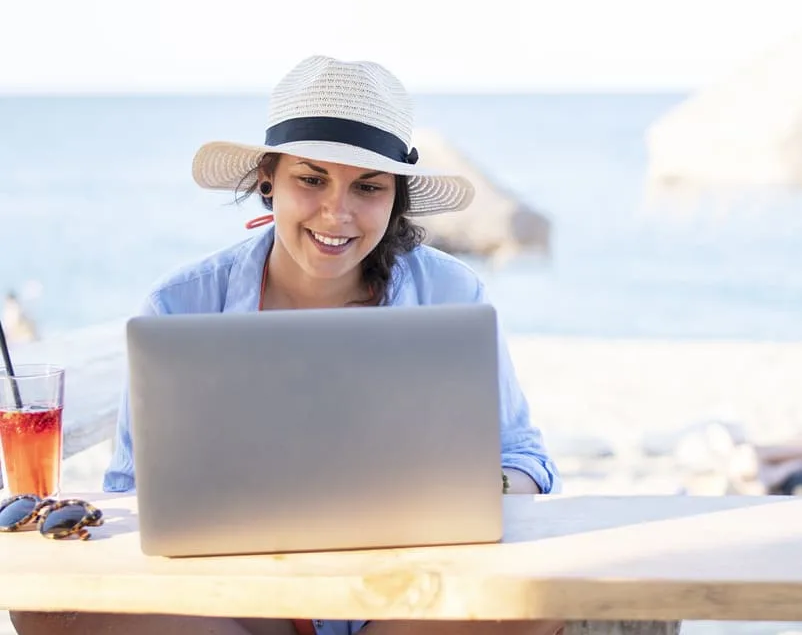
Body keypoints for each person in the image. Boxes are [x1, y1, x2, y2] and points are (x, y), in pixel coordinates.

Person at [11, 56, 563, 635]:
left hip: (403, 601)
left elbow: (526, 460)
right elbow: (128, 491)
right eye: (311, 178)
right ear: (268, 179)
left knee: (546, 602)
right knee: (44, 608)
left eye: (368, 187)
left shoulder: (453, 291)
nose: (338, 211)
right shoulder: (180, 305)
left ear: (395, 198)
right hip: (243, 604)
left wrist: (474, 491)